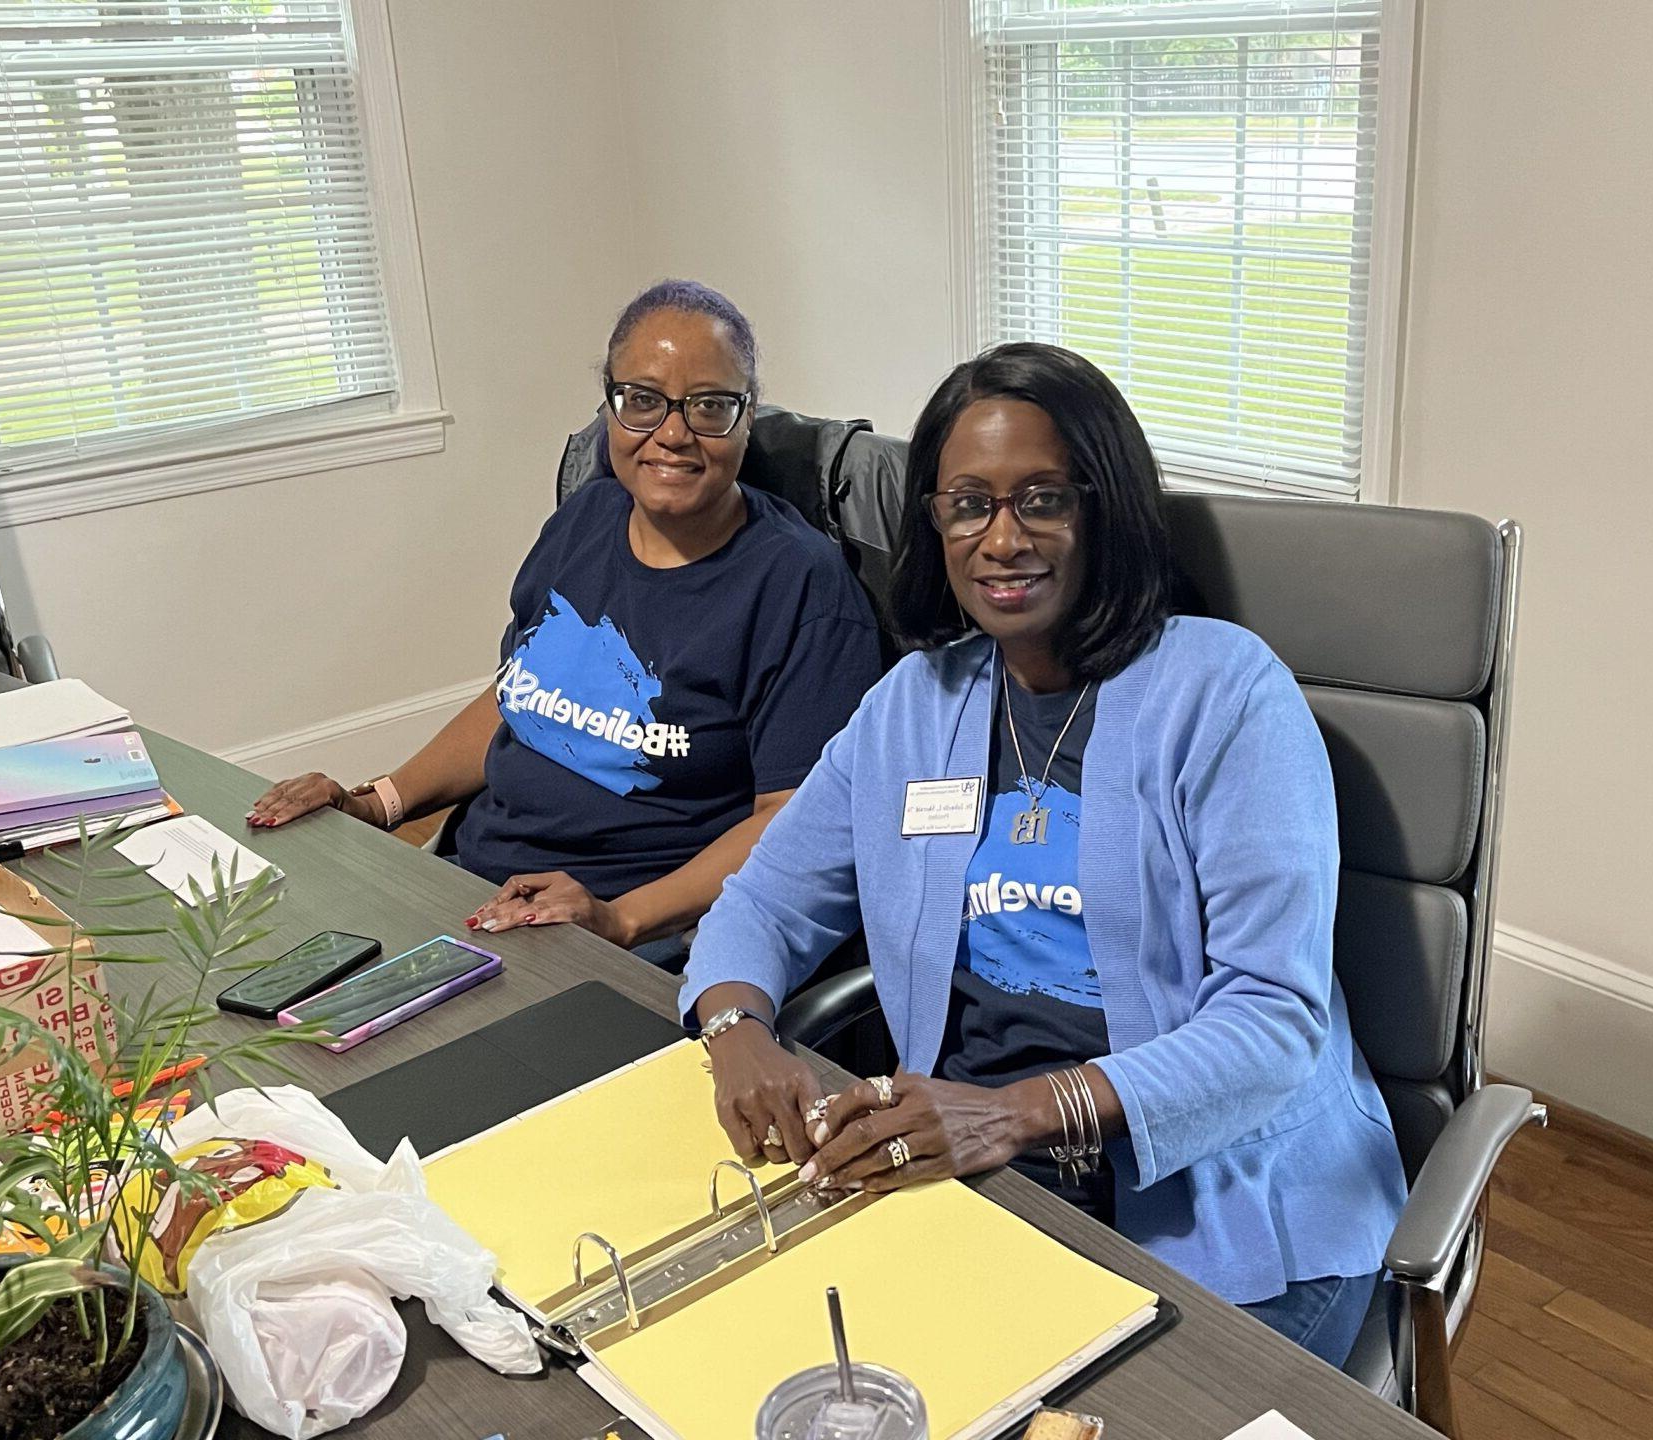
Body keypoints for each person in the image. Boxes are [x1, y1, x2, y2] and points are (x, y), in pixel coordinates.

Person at [680, 343, 1407, 1365]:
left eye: (1042, 500)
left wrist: (1015, 1115)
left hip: (1225, 1198)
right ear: (932, 524)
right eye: (968, 504)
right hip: (978, 1173)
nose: (1002, 539)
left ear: (1102, 509)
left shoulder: (1226, 695)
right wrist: (735, 1027)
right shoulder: (911, 707)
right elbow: (765, 904)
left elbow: (1271, 1022)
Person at [249, 281, 884, 966]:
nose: (672, 434)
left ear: (747, 416)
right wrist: (380, 803)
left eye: (709, 406)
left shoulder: (800, 586)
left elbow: (792, 819)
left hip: (627, 936)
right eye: (642, 401)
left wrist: (617, 919)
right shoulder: (587, 520)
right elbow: (519, 696)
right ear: (610, 406)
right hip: (473, 889)